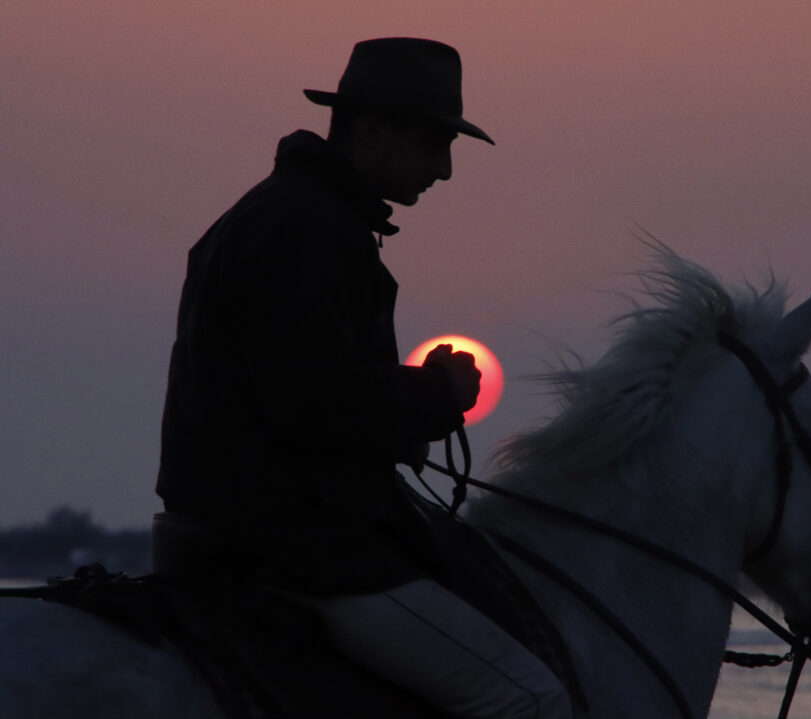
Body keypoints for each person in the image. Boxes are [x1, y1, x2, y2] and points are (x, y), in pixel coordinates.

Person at [156, 38, 571, 719]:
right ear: (372, 128)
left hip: (261, 530)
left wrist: (406, 407)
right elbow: (314, 403)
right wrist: (438, 394)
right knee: (531, 698)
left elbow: (303, 389)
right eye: (434, 143)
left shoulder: (292, 215)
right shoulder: (307, 228)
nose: (443, 169)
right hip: (299, 550)